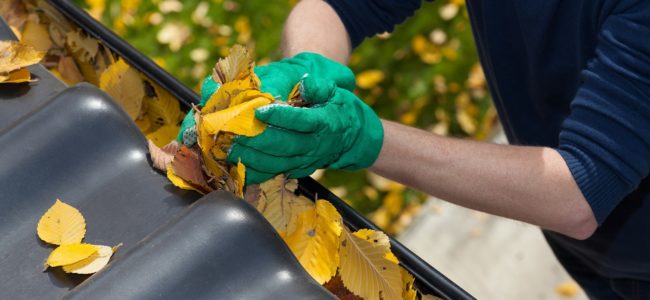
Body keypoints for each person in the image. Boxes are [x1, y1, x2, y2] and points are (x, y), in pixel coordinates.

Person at [180, 0, 650, 298]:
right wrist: (307, 67)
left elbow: (578, 189)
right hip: (592, 254)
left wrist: (360, 137)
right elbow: (337, 8)